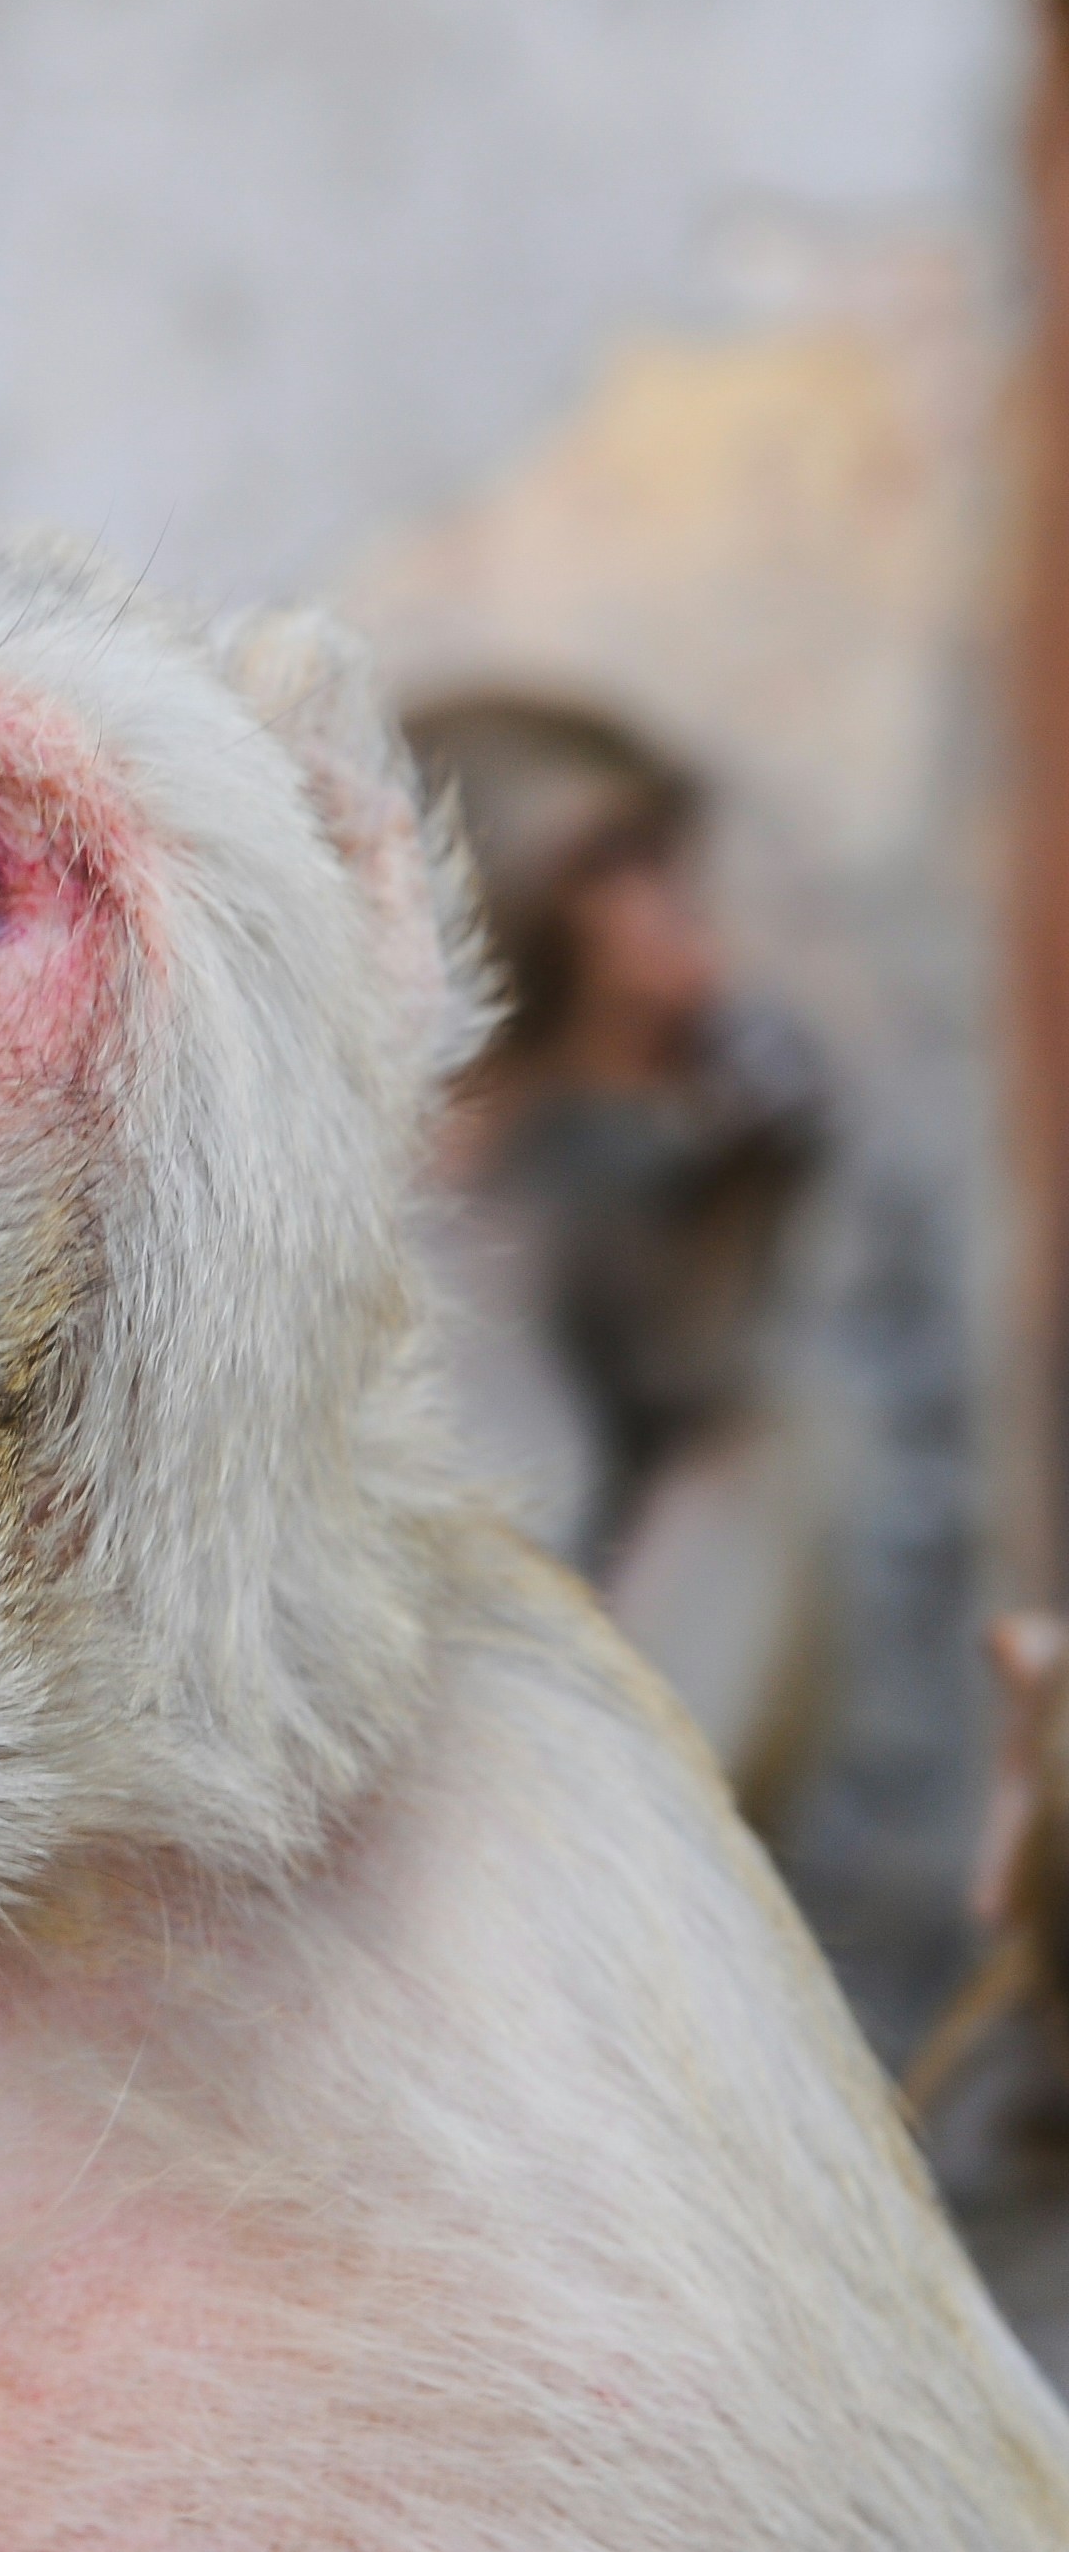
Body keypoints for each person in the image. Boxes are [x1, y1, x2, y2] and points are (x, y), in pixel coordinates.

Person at [406, 694, 835, 1829]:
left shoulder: (574, 1194)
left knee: (762, 1446)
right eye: (615, 873)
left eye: (672, 880)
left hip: (565, 1814)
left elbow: (690, 1403)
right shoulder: (301, 1203)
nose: (679, 946)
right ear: (461, 870)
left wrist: (748, 1199)